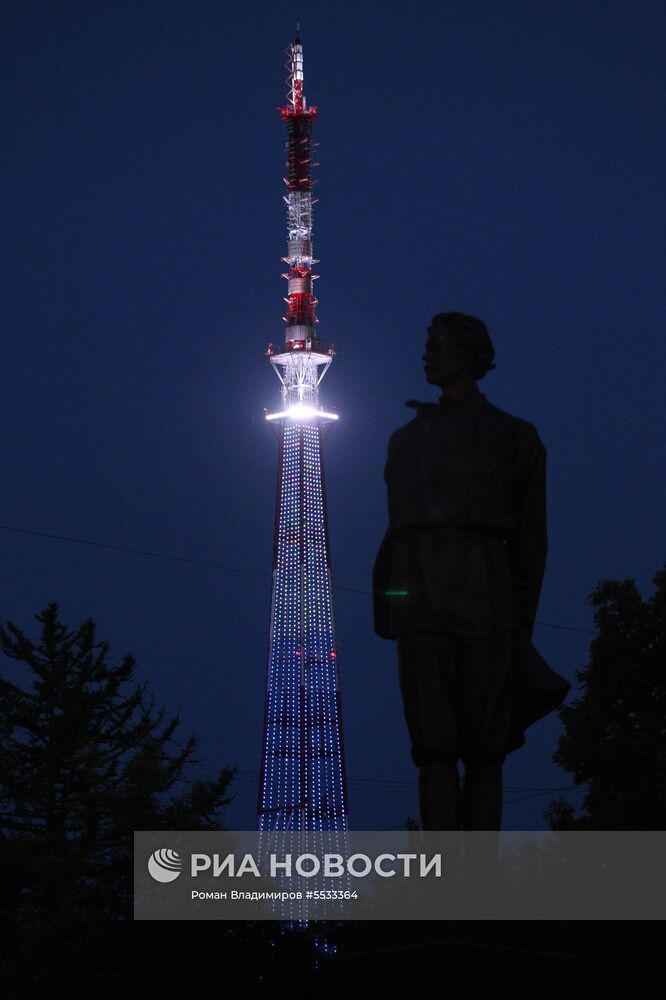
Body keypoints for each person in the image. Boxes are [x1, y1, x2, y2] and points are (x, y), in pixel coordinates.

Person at [373, 312, 570, 831]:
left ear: (471, 355)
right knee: (433, 747)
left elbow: (531, 544)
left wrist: (516, 624)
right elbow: (397, 533)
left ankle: (480, 876)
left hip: (485, 598)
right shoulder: (405, 440)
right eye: (427, 344)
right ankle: (444, 874)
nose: (428, 354)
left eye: (438, 344)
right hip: (421, 603)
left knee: (486, 747)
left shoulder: (515, 437)